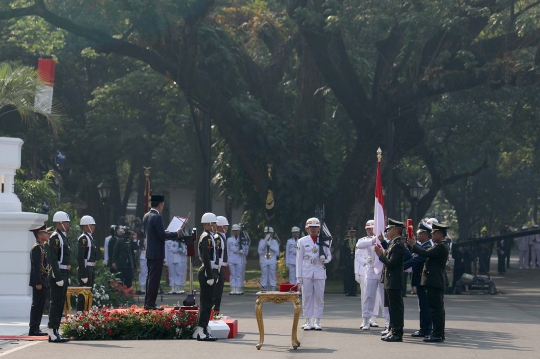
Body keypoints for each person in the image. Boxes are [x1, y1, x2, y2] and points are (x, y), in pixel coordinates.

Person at [408, 222, 451, 343]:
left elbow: (425, 253)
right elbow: (425, 251)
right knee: (436, 309)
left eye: (433, 233)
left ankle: (437, 334)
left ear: (439, 234)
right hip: (434, 280)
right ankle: (438, 333)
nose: (431, 236)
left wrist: (414, 244)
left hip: (434, 280)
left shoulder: (441, 246)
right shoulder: (439, 245)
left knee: (436, 309)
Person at [142, 194, 182, 310]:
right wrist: (176, 233)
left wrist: (163, 232)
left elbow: (152, 233)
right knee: (154, 279)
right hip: (157, 252)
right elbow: (162, 235)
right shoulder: (157, 217)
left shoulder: (146, 216)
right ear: (160, 204)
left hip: (149, 251)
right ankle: (151, 303)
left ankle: (147, 302)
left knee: (150, 277)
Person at [297, 217, 331, 331]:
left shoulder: (324, 240)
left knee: (319, 297)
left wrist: (325, 259)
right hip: (306, 271)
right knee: (306, 296)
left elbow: (329, 256)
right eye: (311, 227)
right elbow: (299, 259)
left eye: (316, 227)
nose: (313, 229)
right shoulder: (302, 241)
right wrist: (299, 276)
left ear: (319, 228)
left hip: (319, 270)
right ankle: (308, 320)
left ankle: (317, 320)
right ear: (307, 228)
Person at [374, 218, 405, 342]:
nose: (387, 231)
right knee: (392, 307)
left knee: (396, 308)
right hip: (390, 280)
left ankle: (397, 333)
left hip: (394, 280)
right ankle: (393, 330)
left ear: (396, 231)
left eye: (389, 229)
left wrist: (381, 256)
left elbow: (392, 263)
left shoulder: (398, 245)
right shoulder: (393, 243)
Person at [356, 219, 387, 330]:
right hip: (371, 269)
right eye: (368, 229)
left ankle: (387, 320)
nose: (370, 230)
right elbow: (359, 245)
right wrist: (373, 240)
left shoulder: (384, 239)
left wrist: (379, 239)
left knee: (384, 297)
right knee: (368, 295)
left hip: (383, 269)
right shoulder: (365, 240)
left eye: (372, 228)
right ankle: (366, 319)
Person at [403, 222, 433, 338]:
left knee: (425, 305)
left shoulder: (427, 246)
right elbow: (413, 257)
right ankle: (424, 328)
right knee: (423, 305)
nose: (418, 236)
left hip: (424, 279)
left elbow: (417, 259)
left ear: (425, 234)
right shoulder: (422, 246)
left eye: (419, 234)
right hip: (419, 278)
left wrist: (402, 266)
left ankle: (426, 329)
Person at [47, 211, 71, 343]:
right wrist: (58, 277)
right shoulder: (55, 237)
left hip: (63, 273)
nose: (67, 225)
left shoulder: (63, 236)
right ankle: (51, 331)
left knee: (60, 303)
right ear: (58, 223)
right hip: (58, 274)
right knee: (55, 304)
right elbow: (53, 259)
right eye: (65, 222)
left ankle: (55, 331)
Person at [195, 212, 219, 341]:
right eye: (214, 223)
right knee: (206, 302)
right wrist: (209, 275)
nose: (216, 225)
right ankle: (201, 331)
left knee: (209, 302)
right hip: (206, 271)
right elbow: (206, 257)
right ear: (209, 224)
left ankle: (204, 329)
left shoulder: (210, 236)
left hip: (210, 271)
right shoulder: (206, 237)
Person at [28, 224, 52, 336]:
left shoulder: (42, 247)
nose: (47, 234)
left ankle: (36, 327)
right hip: (39, 280)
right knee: (37, 304)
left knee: (41, 305)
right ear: (39, 235)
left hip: (43, 278)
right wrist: (38, 282)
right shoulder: (37, 248)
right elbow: (36, 267)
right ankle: (33, 328)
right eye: (45, 233)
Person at [77, 216, 97, 312]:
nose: (93, 227)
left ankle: (86, 312)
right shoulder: (84, 238)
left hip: (90, 268)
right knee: (83, 293)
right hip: (86, 269)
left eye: (93, 225)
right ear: (85, 226)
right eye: (91, 225)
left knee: (88, 293)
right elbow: (81, 258)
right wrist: (83, 274)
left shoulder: (90, 238)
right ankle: (80, 314)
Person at [213, 216, 229, 315]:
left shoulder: (222, 236)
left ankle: (216, 312)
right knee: (216, 292)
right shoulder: (218, 237)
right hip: (218, 267)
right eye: (225, 226)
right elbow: (217, 254)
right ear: (220, 226)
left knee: (219, 292)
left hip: (221, 266)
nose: (226, 228)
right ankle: (214, 313)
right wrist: (218, 268)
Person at [227, 224, 248, 295]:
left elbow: (246, 249)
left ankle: (239, 288)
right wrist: (227, 259)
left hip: (240, 258)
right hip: (232, 258)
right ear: (233, 231)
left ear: (239, 231)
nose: (236, 232)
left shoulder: (243, 239)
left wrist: (243, 251)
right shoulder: (229, 240)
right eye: (234, 231)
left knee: (239, 274)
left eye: (237, 231)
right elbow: (228, 250)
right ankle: (233, 288)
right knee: (233, 274)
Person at [258, 226, 279, 291]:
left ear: (272, 234)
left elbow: (277, 252)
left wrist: (271, 245)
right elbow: (259, 251)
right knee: (264, 274)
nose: (268, 234)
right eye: (267, 233)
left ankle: (272, 289)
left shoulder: (275, 242)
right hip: (264, 259)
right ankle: (264, 289)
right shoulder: (262, 241)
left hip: (272, 259)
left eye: (270, 233)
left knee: (272, 274)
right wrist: (265, 242)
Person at [341, 227, 358, 297]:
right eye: (351, 232)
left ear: (355, 233)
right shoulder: (345, 241)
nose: (352, 233)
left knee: (354, 277)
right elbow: (343, 253)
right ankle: (348, 291)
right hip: (348, 262)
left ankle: (354, 291)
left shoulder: (358, 241)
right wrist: (342, 263)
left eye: (353, 232)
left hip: (355, 261)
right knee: (348, 277)